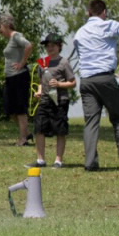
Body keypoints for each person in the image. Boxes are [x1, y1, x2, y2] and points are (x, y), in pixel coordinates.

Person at [74, 0, 119, 173]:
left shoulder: (79, 33)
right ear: (104, 12)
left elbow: (86, 59)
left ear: (88, 12)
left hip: (86, 81)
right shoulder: (108, 26)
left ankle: (90, 163)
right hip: (105, 79)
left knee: (91, 122)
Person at [26, 33, 76, 168]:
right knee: (39, 129)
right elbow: (43, 82)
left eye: (53, 46)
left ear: (59, 47)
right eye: (47, 46)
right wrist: (39, 91)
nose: (50, 48)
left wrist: (60, 85)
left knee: (60, 130)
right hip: (45, 101)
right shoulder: (42, 63)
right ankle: (40, 160)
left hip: (60, 101)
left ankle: (58, 160)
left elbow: (73, 83)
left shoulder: (64, 62)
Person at [0, 13, 35, 146]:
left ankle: (23, 139)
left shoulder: (16, 36)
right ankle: (27, 133)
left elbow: (29, 45)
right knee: (10, 109)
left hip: (19, 77)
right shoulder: (10, 40)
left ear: (6, 25)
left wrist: (22, 63)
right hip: (11, 78)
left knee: (20, 109)